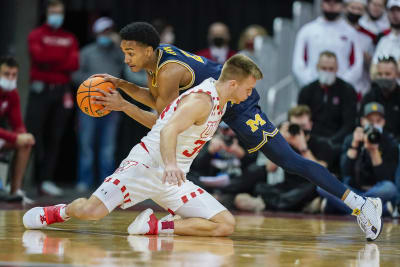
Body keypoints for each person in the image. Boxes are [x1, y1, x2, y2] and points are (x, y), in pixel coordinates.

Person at [91, 22, 380, 240]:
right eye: (124, 53)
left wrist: (123, 103)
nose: (127, 59)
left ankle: (361, 204)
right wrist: (122, 85)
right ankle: (175, 218)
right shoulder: (159, 59)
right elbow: (158, 103)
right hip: (217, 100)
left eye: (130, 52)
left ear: (146, 50)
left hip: (236, 102)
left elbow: (161, 121)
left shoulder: (168, 71)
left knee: (289, 161)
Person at [23, 54, 264, 237]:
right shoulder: (201, 100)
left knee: (225, 224)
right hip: (146, 165)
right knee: (90, 212)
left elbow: (161, 123)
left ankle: (155, 226)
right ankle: (56, 213)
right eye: (248, 88)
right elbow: (168, 130)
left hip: (172, 179)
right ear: (233, 84)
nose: (249, 94)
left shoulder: (220, 100)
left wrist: (126, 106)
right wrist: (170, 163)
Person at [235, 106, 333, 213]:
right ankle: (299, 207)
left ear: (310, 124)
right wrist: (280, 142)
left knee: (315, 188)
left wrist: (303, 148)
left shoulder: (321, 143)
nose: (299, 130)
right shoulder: (286, 142)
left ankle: (270, 205)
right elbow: (270, 168)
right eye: (295, 126)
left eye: (303, 126)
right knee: (260, 187)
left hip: (308, 185)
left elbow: (322, 172)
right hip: (288, 187)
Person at [26, 0, 79, 196]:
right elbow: (39, 58)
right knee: (32, 135)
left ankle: (46, 180)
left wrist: (52, 60)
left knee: (55, 137)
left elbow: (73, 63)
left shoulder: (69, 37)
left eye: (60, 12)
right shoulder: (36, 34)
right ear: (47, 13)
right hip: (40, 91)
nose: (57, 15)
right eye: (53, 12)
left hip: (61, 91)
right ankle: (19, 179)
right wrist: (59, 60)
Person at [317, 102, 398, 215]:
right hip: (352, 190)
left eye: (378, 121)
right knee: (323, 185)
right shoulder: (351, 138)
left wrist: (373, 151)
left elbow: (386, 178)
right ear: (362, 121)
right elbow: (345, 171)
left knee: (390, 188)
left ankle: (350, 208)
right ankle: (376, 210)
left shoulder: (389, 142)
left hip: (376, 191)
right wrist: (354, 144)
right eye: (370, 120)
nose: (374, 124)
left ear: (383, 122)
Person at [72, 17, 123, 192]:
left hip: (111, 105)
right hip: (89, 105)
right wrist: (94, 84)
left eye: (109, 32)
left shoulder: (118, 53)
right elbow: (75, 75)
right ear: (96, 33)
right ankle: (84, 181)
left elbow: (128, 70)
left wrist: (120, 45)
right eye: (103, 32)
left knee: (108, 148)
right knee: (87, 145)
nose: (106, 35)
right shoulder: (86, 52)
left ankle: (106, 183)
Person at [292, 0, 363, 90]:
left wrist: (341, 85)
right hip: (312, 88)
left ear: (342, 5)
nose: (331, 6)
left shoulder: (351, 33)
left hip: (341, 90)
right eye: (328, 2)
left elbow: (357, 65)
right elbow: (298, 64)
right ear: (321, 4)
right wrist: (313, 85)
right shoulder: (307, 31)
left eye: (335, 2)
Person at [298, 51, 358, 146]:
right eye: (324, 68)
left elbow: (349, 124)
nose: (327, 72)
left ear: (337, 69)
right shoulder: (307, 91)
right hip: (310, 140)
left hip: (337, 143)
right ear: (317, 67)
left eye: (331, 69)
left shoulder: (347, 90)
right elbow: (300, 118)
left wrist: (331, 142)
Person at [0, 57, 35, 202]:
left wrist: (23, 135)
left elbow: (18, 124)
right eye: (6, 74)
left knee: (26, 142)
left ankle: (15, 191)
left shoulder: (12, 94)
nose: (10, 78)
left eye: (14, 75)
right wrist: (15, 138)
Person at [361, 56, 400, 141]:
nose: (383, 77)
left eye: (387, 74)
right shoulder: (369, 97)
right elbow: (361, 122)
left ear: (397, 74)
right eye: (380, 74)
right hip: (372, 141)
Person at [345, 0, 376, 97]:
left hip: (360, 87)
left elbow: (373, 65)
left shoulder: (369, 36)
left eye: (359, 9)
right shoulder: (335, 31)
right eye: (353, 8)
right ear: (346, 8)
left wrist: (368, 59)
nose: (355, 12)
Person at [371, 0, 400, 77]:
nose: (395, 14)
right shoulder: (384, 40)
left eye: (398, 10)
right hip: (384, 86)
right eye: (392, 11)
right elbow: (373, 71)